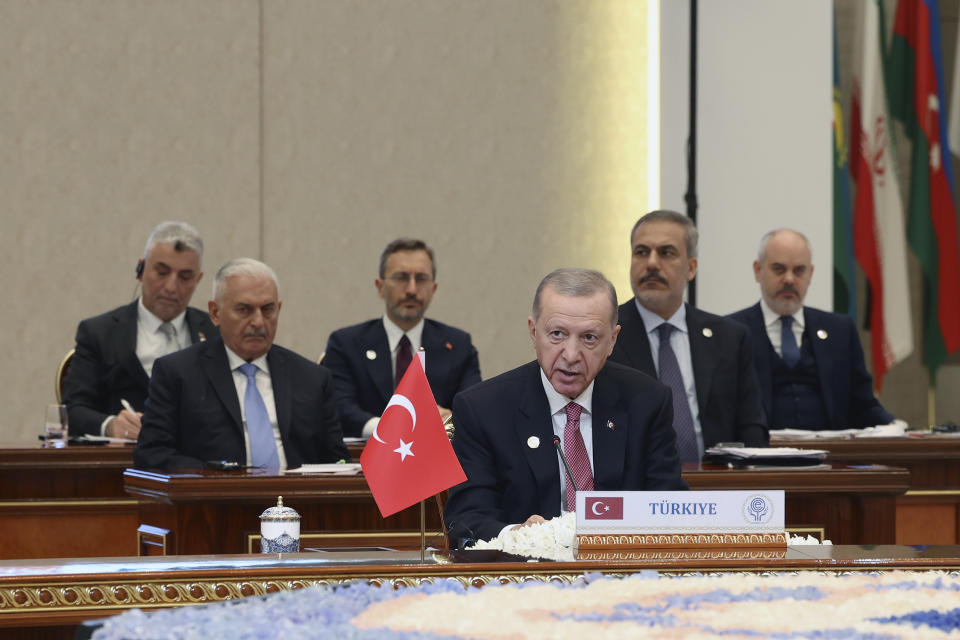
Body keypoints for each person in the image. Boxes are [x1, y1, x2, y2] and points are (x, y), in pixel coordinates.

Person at [444, 268, 686, 548]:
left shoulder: (647, 401)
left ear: (612, 340)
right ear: (534, 332)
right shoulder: (483, 409)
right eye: (557, 334)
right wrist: (519, 534)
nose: (571, 355)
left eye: (589, 338)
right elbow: (466, 520)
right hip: (524, 580)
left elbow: (670, 508)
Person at [133, 258, 349, 470]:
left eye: (267, 309)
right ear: (215, 313)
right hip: (214, 501)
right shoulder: (178, 374)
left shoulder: (312, 378)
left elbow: (338, 461)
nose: (258, 321)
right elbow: (152, 454)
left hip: (294, 502)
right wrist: (217, 479)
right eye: (244, 310)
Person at [608, 210, 768, 461]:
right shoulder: (605, 336)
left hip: (718, 488)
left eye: (666, 253)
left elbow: (751, 427)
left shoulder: (729, 338)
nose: (651, 263)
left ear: (691, 268)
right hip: (634, 490)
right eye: (641, 252)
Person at [63, 222, 217, 439]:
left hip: (196, 461)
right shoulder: (100, 333)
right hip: (121, 462)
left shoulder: (216, 333)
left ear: (198, 280)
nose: (171, 287)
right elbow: (73, 409)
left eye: (184, 277)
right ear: (141, 270)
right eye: (162, 272)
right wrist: (110, 425)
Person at [728, 229, 894, 429]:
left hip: (833, 454)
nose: (789, 279)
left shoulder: (840, 330)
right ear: (758, 270)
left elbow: (864, 405)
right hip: (761, 455)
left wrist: (899, 429)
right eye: (779, 269)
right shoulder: (732, 332)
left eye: (799, 270)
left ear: (810, 274)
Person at [324, 238, 481, 438]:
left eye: (421, 279)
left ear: (433, 289)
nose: (412, 290)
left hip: (438, 458)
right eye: (401, 278)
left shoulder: (458, 345)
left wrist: (449, 420)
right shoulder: (346, 343)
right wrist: (389, 430)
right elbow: (340, 407)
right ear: (380, 287)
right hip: (366, 458)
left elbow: (474, 407)